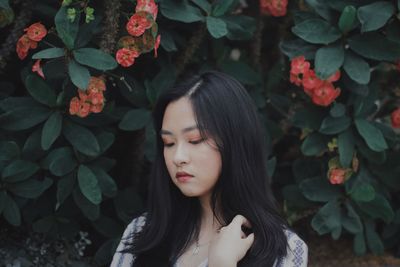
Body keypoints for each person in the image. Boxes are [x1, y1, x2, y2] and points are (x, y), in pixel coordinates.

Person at [111, 71, 308, 267]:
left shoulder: (285, 250)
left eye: (195, 140)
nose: (178, 157)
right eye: (168, 143)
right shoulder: (142, 232)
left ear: (234, 143)